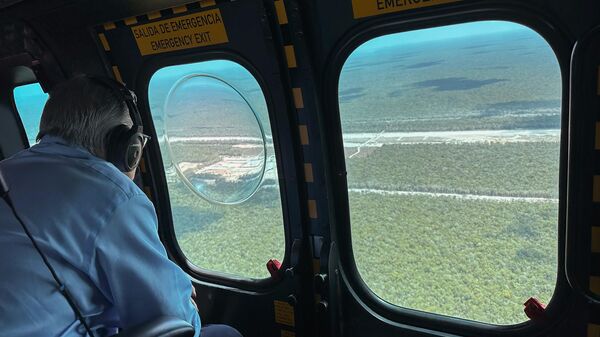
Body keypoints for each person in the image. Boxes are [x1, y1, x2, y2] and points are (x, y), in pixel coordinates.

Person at [0, 75, 242, 337]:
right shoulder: (112, 195)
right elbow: (176, 321)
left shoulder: (6, 171)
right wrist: (184, 300)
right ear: (128, 148)